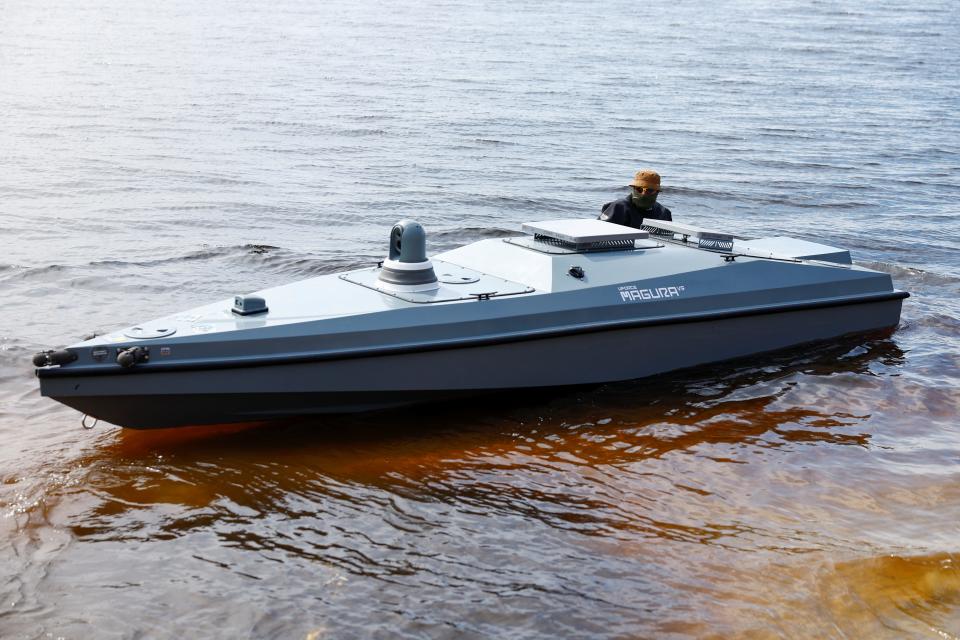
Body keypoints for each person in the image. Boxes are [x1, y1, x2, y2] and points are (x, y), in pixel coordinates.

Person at [599, 169, 672, 229]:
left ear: (657, 192)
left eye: (649, 190)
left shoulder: (664, 214)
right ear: (633, 189)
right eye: (639, 189)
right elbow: (599, 231)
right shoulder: (619, 208)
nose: (643, 194)